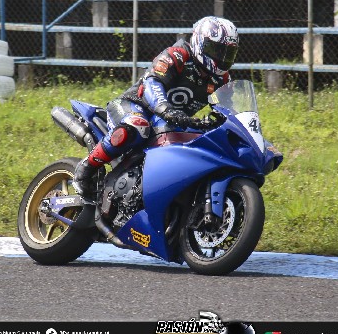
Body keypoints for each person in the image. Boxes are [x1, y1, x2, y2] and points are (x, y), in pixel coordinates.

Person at [73, 16, 239, 199]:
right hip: (134, 105)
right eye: (216, 50)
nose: (222, 58)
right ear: (200, 42)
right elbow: (153, 82)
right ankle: (86, 168)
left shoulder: (222, 79)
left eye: (228, 53)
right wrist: (165, 108)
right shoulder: (178, 55)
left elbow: (228, 111)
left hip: (171, 122)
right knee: (137, 125)